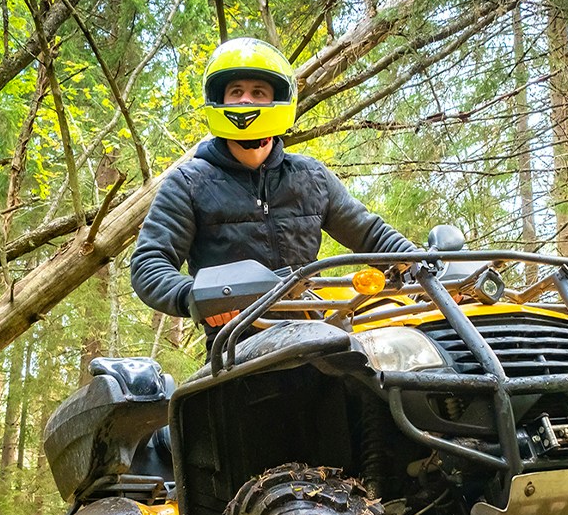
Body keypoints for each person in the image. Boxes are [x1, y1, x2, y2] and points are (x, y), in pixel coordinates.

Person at [130, 37, 416, 328]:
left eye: (258, 92)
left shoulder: (311, 177)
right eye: (236, 91)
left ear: (277, 99)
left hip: (317, 336)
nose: (245, 100)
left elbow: (371, 235)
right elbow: (149, 263)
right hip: (236, 345)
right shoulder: (188, 183)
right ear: (220, 99)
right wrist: (195, 296)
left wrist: (421, 267)